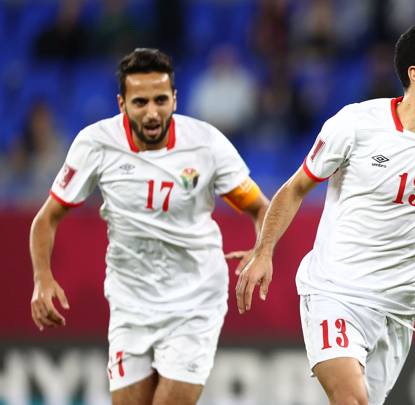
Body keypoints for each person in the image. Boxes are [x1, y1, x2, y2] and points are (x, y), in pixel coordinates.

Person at [236, 21, 415, 405]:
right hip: (335, 291)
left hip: (399, 308)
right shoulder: (356, 124)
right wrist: (264, 250)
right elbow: (295, 188)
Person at [29, 48, 269, 405]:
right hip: (130, 302)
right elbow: (47, 218)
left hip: (195, 299)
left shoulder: (206, 144)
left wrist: (263, 251)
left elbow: (259, 207)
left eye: (161, 99)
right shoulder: (96, 143)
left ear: (175, 98)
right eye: (140, 102)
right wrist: (42, 278)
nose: (152, 112)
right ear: (122, 104)